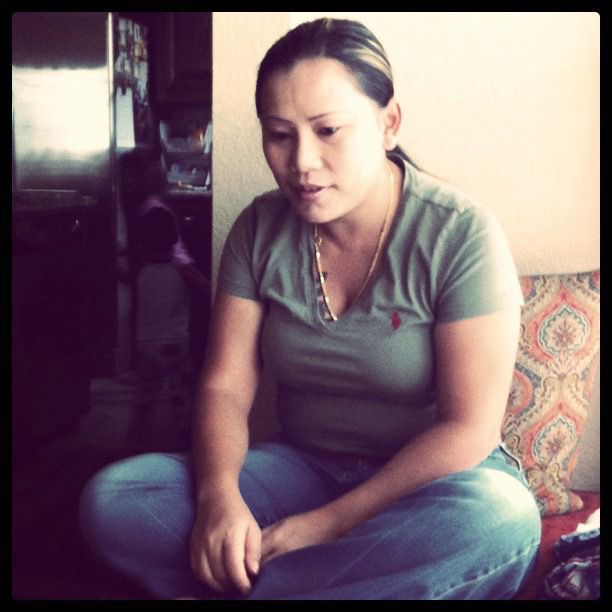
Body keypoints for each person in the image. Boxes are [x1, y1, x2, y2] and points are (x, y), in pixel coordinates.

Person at [79, 18, 541, 600]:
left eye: (328, 131)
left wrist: (327, 526)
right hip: (302, 470)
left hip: (429, 489)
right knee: (116, 500)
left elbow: (468, 428)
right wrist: (220, 501)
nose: (301, 162)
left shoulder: (459, 233)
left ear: (388, 123)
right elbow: (225, 387)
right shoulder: (258, 229)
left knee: (500, 521)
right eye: (279, 135)